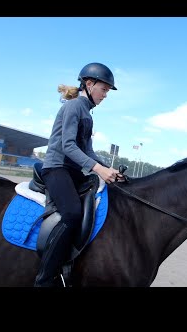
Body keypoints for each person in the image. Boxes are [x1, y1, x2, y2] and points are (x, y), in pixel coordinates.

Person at [34, 62, 123, 287]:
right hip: (56, 168)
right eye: (104, 89)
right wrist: (98, 169)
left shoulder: (88, 114)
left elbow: (88, 151)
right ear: (89, 84)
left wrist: (108, 170)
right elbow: (68, 146)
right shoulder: (74, 107)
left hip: (73, 171)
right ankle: (44, 278)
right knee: (72, 214)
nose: (105, 95)